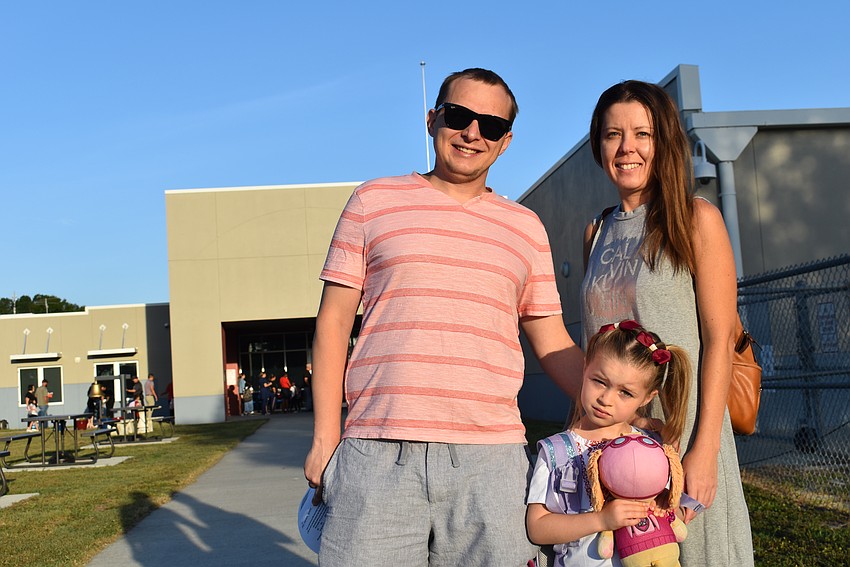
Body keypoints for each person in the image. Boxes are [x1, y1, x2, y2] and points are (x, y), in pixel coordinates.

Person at [304, 67, 584, 566]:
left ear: (506, 142)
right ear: (433, 119)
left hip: (492, 461)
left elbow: (552, 340)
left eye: (491, 126)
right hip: (377, 452)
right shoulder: (373, 202)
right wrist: (326, 438)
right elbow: (332, 324)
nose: (472, 133)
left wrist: (621, 404)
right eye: (459, 116)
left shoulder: (525, 228)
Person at [581, 80, 754, 565]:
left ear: (666, 143)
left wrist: (704, 451)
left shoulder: (696, 218)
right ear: (599, 144)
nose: (627, 148)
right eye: (613, 134)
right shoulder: (595, 231)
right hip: (611, 443)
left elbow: (721, 340)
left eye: (643, 133)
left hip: (683, 438)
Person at [527, 320, 692, 566]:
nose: (606, 399)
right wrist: (601, 521)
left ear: (647, 398)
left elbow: (678, 511)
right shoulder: (557, 452)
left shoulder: (652, 447)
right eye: (600, 382)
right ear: (584, 369)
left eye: (625, 392)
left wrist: (664, 506)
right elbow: (537, 527)